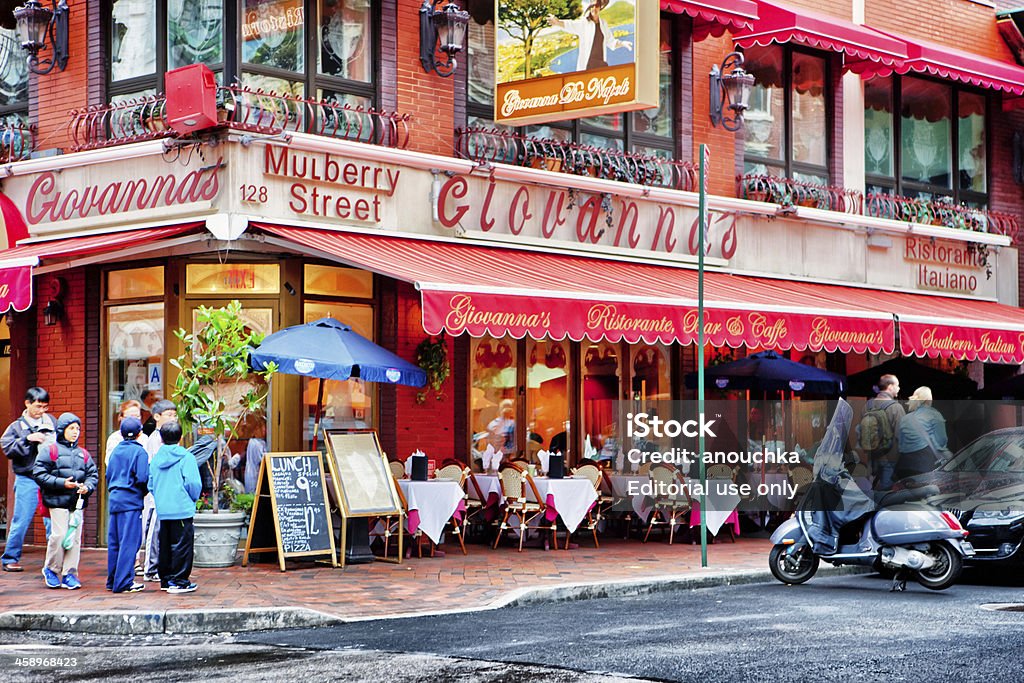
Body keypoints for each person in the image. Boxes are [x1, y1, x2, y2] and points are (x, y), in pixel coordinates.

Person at [32, 413, 97, 590]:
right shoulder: (50, 450)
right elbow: (39, 474)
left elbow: (92, 475)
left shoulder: (83, 453)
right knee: (59, 536)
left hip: (77, 503)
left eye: (78, 428)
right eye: (71, 428)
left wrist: (88, 487)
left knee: (75, 539)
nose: (75, 432)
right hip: (56, 501)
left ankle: (70, 573)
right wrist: (62, 483)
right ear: (62, 430)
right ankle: (51, 569)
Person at [0, 387, 57, 572]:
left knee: (52, 521)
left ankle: (54, 560)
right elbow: (7, 448)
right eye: (38, 406)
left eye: (45, 407)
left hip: (50, 478)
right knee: (21, 520)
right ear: (27, 403)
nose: (42, 411)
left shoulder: (52, 422)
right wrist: (28, 439)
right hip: (27, 478)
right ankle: (10, 558)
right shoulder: (17, 426)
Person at [148, 421, 201, 594]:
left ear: (161, 438)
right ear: (181, 437)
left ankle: (166, 580)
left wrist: (162, 497)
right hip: (182, 507)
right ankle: (179, 581)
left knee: (164, 545)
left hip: (163, 509)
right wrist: (191, 499)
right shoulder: (186, 457)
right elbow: (193, 483)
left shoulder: (156, 459)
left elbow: (151, 485)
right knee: (182, 546)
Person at [105, 417, 149, 594]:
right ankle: (124, 582)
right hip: (131, 501)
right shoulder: (140, 452)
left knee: (115, 542)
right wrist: (141, 493)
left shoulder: (115, 451)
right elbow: (143, 478)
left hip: (115, 500)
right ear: (140, 433)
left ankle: (113, 579)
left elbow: (108, 475)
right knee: (130, 542)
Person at [140, 399, 177, 583]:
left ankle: (156, 567)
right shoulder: (154, 439)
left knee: (160, 532)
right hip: (156, 496)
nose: (174, 418)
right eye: (169, 415)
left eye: (174, 415)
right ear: (156, 417)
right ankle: (150, 569)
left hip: (164, 494)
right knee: (153, 532)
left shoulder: (165, 438)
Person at [548, 0, 633, 72]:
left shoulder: (603, 23)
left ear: (600, 7)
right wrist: (557, 22)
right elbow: (570, 24)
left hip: (601, 65)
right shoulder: (584, 23)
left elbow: (611, 42)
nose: (594, 9)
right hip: (587, 66)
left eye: (596, 6)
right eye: (592, 7)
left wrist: (623, 43)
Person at [896, 387, 950, 480]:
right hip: (924, 465)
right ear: (929, 399)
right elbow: (942, 441)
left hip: (904, 465)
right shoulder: (934, 415)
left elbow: (900, 443)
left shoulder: (905, 418)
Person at [864, 374, 905, 491]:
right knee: (886, 491)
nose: (899, 388)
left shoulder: (869, 404)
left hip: (872, 455)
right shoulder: (896, 408)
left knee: (874, 487)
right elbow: (900, 434)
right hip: (890, 457)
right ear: (890, 386)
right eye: (897, 385)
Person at [105, 399, 142, 466]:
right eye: (131, 417)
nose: (134, 420)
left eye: (137, 416)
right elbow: (110, 462)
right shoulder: (114, 438)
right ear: (121, 417)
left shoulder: (144, 437)